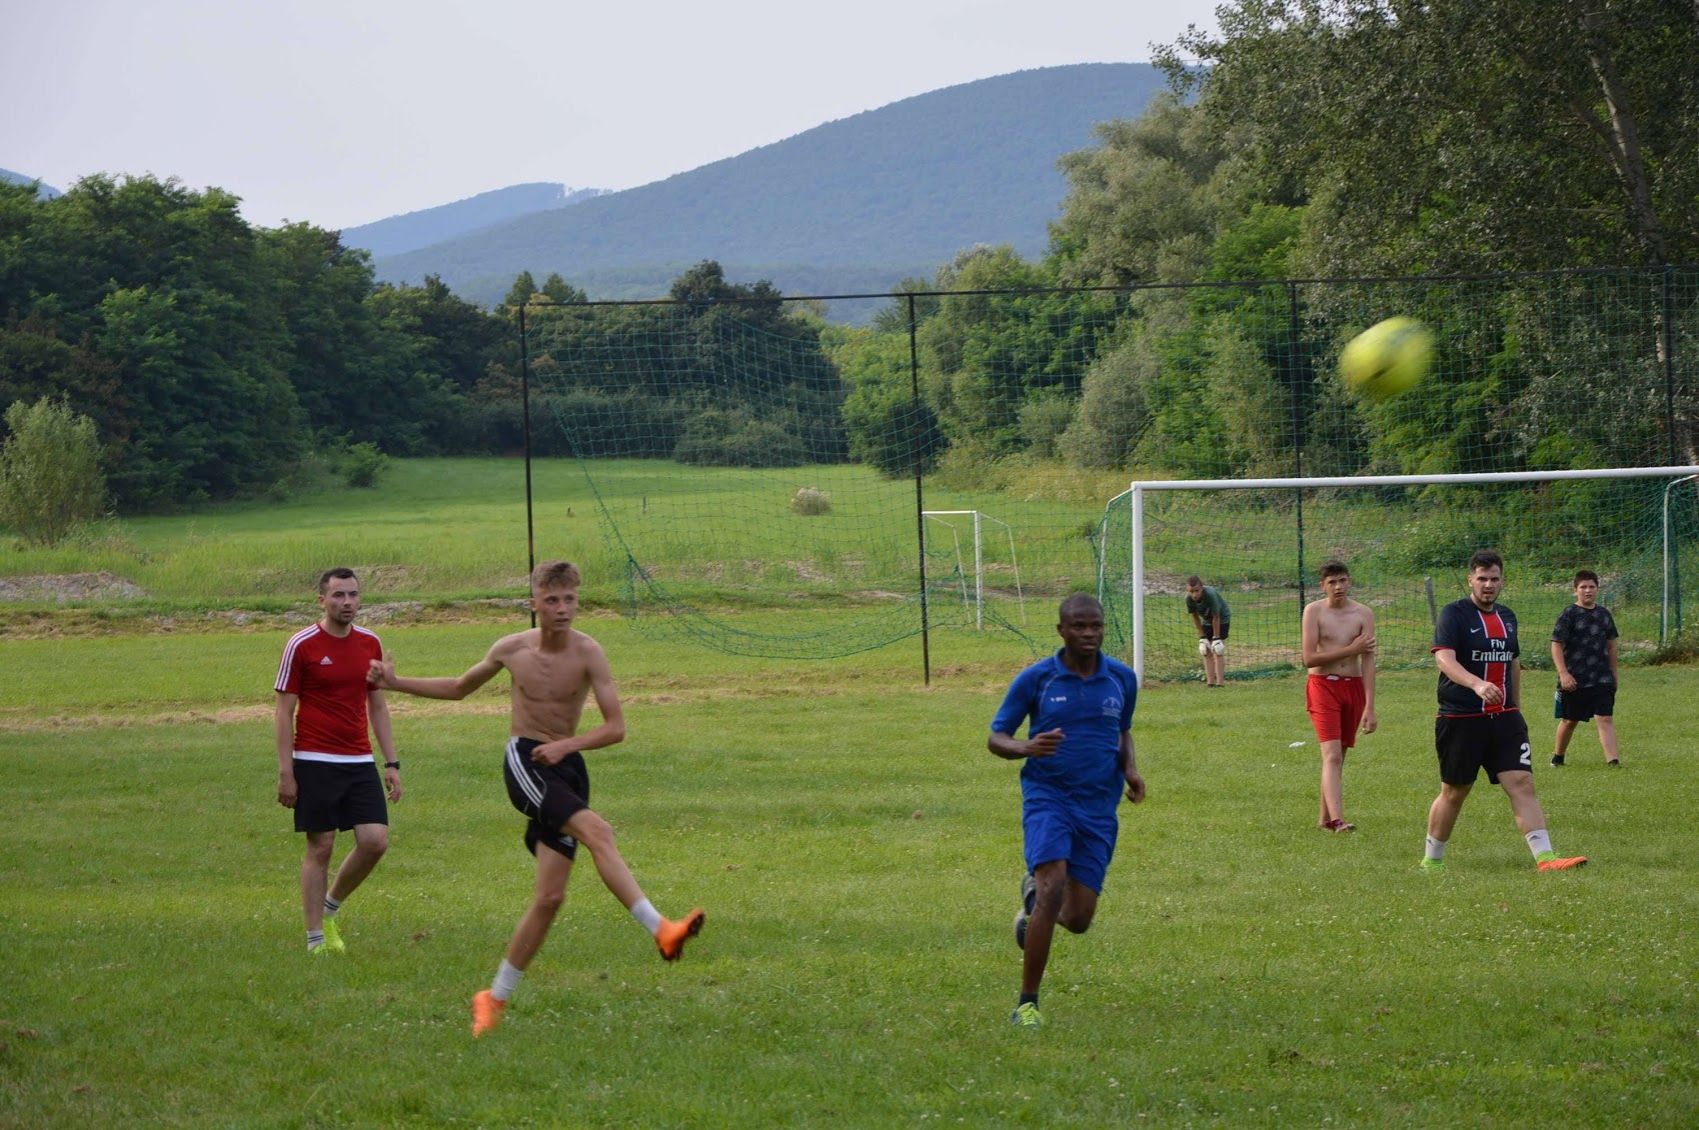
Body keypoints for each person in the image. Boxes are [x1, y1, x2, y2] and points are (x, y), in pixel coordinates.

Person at [369, 560, 704, 1037]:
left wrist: (568, 746)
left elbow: (615, 728)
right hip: (526, 760)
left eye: (570, 599)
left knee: (549, 897)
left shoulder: (590, 652)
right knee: (599, 831)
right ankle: (662, 930)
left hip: (566, 766)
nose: (562, 608)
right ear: (535, 604)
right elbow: (459, 688)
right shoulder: (511, 649)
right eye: (552, 600)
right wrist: (394, 682)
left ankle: (494, 998)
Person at [988, 594, 1145, 1028]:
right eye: (1078, 626)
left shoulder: (1122, 679)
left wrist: (1130, 769)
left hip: (1099, 805)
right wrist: (1027, 747)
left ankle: (1034, 902)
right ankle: (1027, 1004)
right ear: (1061, 630)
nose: (1088, 634)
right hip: (1049, 795)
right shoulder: (1036, 679)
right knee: (1054, 882)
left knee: (1077, 920)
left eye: (1095, 626)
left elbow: (1122, 730)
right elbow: (996, 737)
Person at [1420, 550, 1587, 874]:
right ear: (1470, 579)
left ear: (1502, 581)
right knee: (1455, 791)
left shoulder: (1508, 617)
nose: (1488, 585)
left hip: (1505, 719)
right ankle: (1432, 861)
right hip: (1462, 718)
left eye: (1494, 579)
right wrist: (1477, 684)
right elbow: (1444, 659)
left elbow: (1512, 663)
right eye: (1482, 578)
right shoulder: (1454, 614)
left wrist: (1515, 710)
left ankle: (1546, 859)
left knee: (1522, 782)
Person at [274, 567, 401, 954]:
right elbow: (283, 711)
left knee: (375, 841)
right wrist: (286, 771)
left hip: (359, 760)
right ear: (322, 600)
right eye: (339, 595)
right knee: (321, 846)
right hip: (314, 758)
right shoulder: (302, 645)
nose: (347, 602)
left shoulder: (370, 643)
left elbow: (378, 706)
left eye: (353, 595)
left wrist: (391, 763)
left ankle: (330, 908)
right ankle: (315, 939)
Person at [1299, 561, 1377, 832]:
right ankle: (1338, 821)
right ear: (1323, 586)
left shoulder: (1364, 613)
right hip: (1323, 686)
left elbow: (1368, 660)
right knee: (1331, 755)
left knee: (1338, 755)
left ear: (1349, 581)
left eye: (1342, 580)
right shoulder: (1313, 611)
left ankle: (1324, 819)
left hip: (1352, 687)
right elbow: (1309, 658)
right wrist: (1350, 649)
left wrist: (1370, 706)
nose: (1338, 587)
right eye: (1332, 582)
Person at [1550, 569, 1621, 768]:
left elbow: (1611, 645)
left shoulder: (1604, 614)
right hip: (1575, 678)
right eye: (1583, 587)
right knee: (1570, 720)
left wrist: (1614, 674)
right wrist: (1563, 674)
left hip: (1601, 677)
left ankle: (1613, 761)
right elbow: (1556, 644)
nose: (1588, 590)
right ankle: (1558, 757)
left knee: (1605, 717)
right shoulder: (1569, 614)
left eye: (1591, 587)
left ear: (1597, 589)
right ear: (1575, 590)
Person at [1184, 575, 1231, 686]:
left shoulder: (1210, 594)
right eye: (1191, 591)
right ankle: (1210, 683)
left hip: (1222, 618)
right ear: (1187, 590)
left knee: (1218, 649)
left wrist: (1216, 637)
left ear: (1202, 588)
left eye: (1197, 591)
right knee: (1205, 650)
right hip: (1206, 620)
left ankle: (1220, 683)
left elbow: (1216, 616)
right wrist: (1202, 637)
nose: (1194, 595)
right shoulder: (1188, 599)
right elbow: (1195, 616)